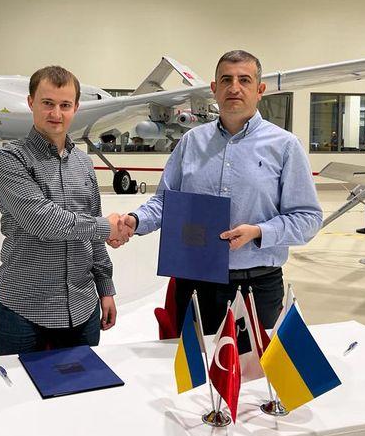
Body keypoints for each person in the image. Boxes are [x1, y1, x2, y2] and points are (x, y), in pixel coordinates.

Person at [115, 50, 323, 335]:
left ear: (260, 90)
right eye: (226, 80)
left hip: (254, 287)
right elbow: (166, 202)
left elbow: (308, 218)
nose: (234, 87)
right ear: (214, 89)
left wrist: (259, 232)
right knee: (191, 362)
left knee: (250, 364)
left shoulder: (285, 146)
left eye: (244, 80)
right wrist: (135, 220)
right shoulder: (191, 142)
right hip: (194, 284)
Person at [0, 65, 128, 355]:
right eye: (47, 103)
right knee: (21, 385)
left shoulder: (84, 164)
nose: (56, 113)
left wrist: (105, 287)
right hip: (24, 309)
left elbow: (93, 236)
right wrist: (107, 226)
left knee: (82, 383)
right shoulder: (11, 159)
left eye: (65, 105)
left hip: (82, 308)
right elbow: (44, 221)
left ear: (75, 108)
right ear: (31, 102)